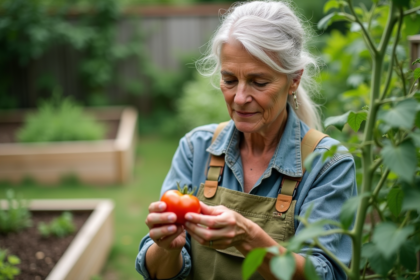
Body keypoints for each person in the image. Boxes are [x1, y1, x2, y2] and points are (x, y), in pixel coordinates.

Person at [135, 1, 356, 279]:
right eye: (229, 80)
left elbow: (325, 274)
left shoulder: (327, 164)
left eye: (259, 82)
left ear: (294, 80)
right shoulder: (196, 149)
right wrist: (167, 248)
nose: (239, 98)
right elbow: (157, 272)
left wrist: (249, 237)